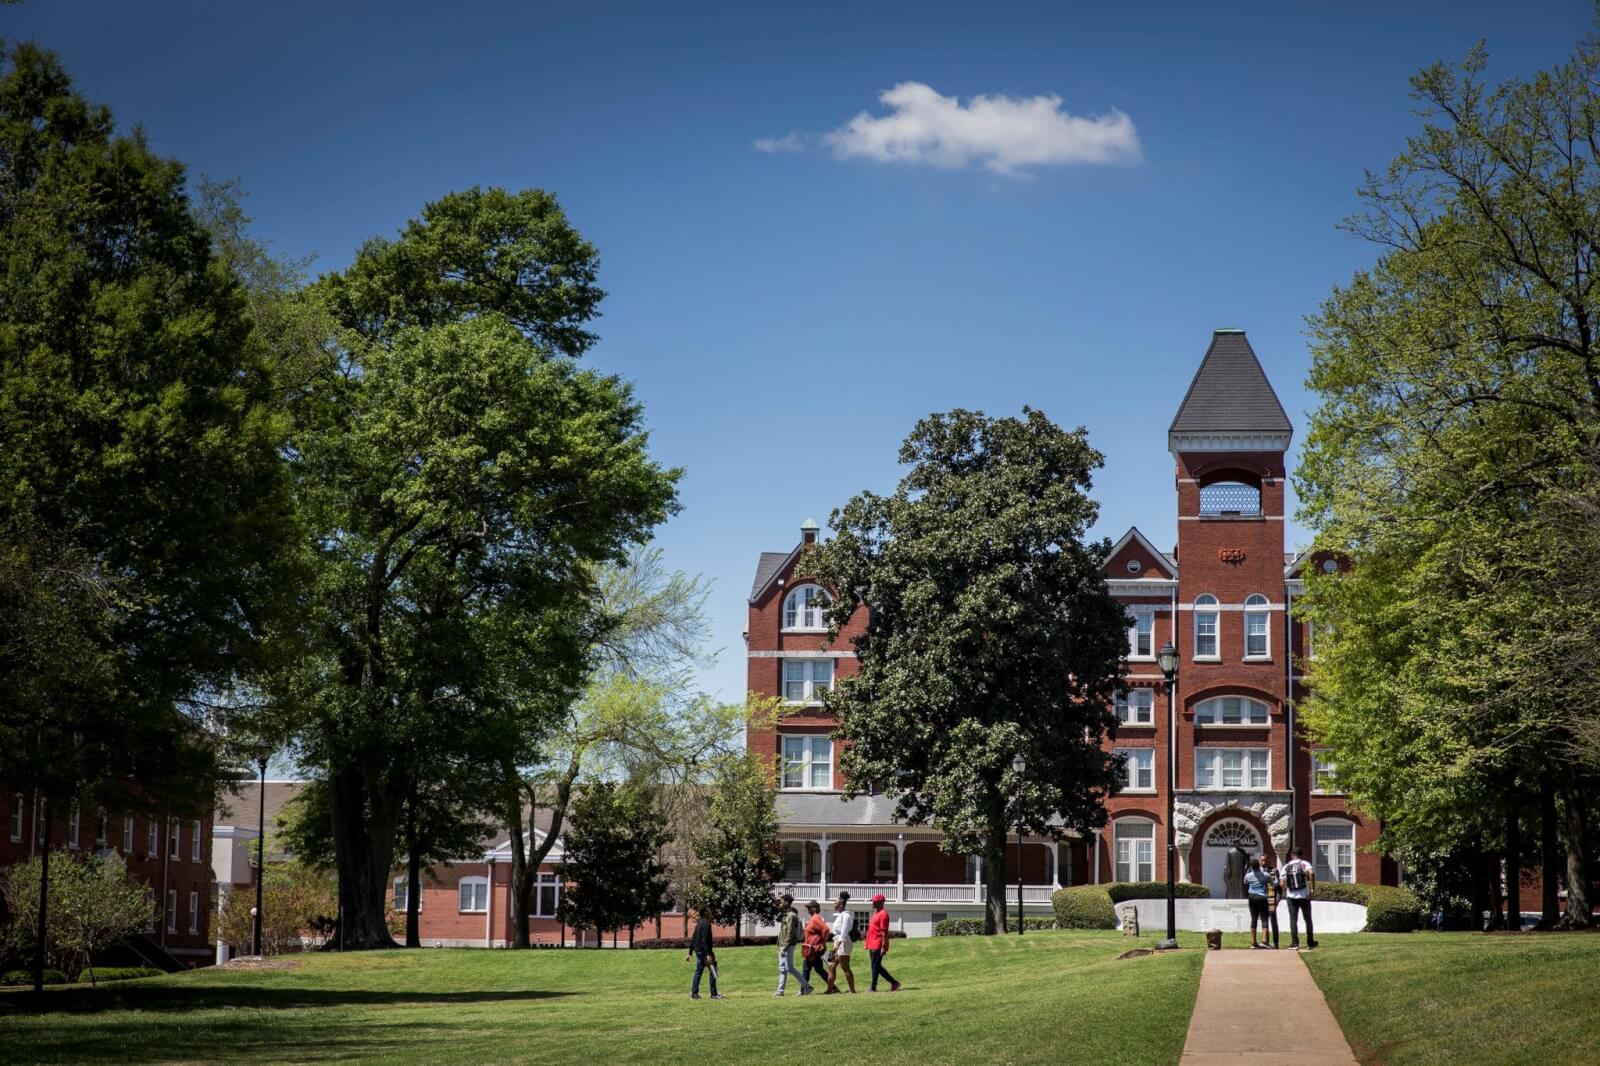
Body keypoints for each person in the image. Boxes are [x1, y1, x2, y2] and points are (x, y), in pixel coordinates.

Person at [1280, 845, 1318, 950]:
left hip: (1291, 896)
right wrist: (1312, 889)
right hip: (1304, 896)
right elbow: (1312, 873)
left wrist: (1287, 888)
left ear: (1292, 855)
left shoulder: (1286, 866)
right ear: (1301, 854)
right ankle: (1310, 943)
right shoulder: (1304, 864)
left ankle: (1294, 943)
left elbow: (1282, 883)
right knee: (1308, 919)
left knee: (1293, 919)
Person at [774, 893, 810, 996]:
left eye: (781, 901)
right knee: (782, 968)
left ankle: (807, 986)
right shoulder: (785, 914)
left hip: (788, 945)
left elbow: (790, 932)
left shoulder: (792, 916)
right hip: (782, 944)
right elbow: (777, 919)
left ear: (786, 902)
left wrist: (784, 947)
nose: (780, 903)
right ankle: (780, 991)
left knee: (789, 968)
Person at [864, 893, 900, 992]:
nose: (872, 902)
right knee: (876, 966)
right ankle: (894, 983)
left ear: (880, 902)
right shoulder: (876, 913)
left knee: (875, 966)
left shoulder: (883, 914)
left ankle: (873, 986)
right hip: (872, 943)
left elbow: (884, 932)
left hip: (878, 943)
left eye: (874, 901)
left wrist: (884, 947)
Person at [685, 908, 723, 1000]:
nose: (710, 913)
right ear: (705, 913)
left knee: (698, 971)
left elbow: (693, 938)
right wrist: (708, 954)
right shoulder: (706, 924)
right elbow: (704, 940)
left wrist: (690, 953)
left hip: (698, 951)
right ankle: (714, 994)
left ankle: (694, 994)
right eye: (709, 911)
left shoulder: (699, 923)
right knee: (713, 970)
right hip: (704, 951)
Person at [826, 891, 856, 994]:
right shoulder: (839, 916)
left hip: (844, 942)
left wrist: (838, 945)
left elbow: (844, 931)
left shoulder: (846, 916)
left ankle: (852, 989)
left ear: (840, 905)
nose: (834, 905)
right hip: (837, 941)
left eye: (835, 903)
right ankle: (829, 989)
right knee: (831, 966)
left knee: (845, 966)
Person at [1244, 855, 1274, 948]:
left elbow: (1245, 882)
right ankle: (1264, 941)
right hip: (1262, 897)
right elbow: (1273, 884)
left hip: (1252, 897)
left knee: (1254, 919)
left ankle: (1253, 942)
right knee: (1264, 918)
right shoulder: (1265, 875)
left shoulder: (1248, 875)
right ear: (1259, 865)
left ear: (1251, 867)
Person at [801, 899, 831, 993]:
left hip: (814, 950)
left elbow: (826, 929)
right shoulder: (813, 918)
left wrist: (822, 942)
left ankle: (804, 990)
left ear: (814, 908)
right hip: (811, 949)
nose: (808, 910)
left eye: (809, 908)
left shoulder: (815, 918)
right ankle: (833, 987)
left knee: (806, 969)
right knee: (819, 970)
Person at [1259, 852, 1281, 948]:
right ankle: (1265, 941)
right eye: (1262, 860)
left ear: (1268, 861)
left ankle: (1275, 943)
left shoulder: (1274, 871)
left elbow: (1278, 888)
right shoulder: (1256, 872)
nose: (1263, 862)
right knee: (1264, 921)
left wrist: (1278, 899)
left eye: (1265, 860)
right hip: (1261, 899)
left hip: (1272, 899)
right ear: (1259, 861)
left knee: (1273, 921)